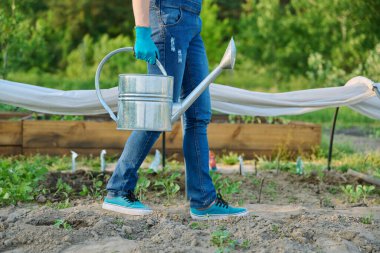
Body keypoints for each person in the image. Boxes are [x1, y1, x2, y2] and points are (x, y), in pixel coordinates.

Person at [102, 0, 248, 220]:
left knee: (198, 114)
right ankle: (118, 189)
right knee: (157, 112)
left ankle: (203, 200)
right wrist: (142, 31)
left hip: (191, 22)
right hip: (168, 19)